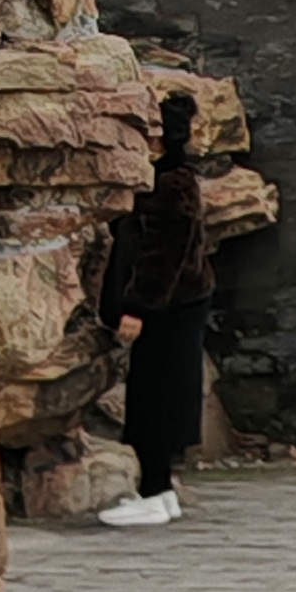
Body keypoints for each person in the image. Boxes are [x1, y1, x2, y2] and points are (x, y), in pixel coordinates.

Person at [97, 89, 214, 529]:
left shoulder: (171, 185)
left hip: (170, 308)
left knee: (157, 400)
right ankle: (159, 491)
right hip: (178, 305)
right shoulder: (169, 179)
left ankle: (154, 491)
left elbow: (163, 255)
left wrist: (137, 308)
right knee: (157, 395)